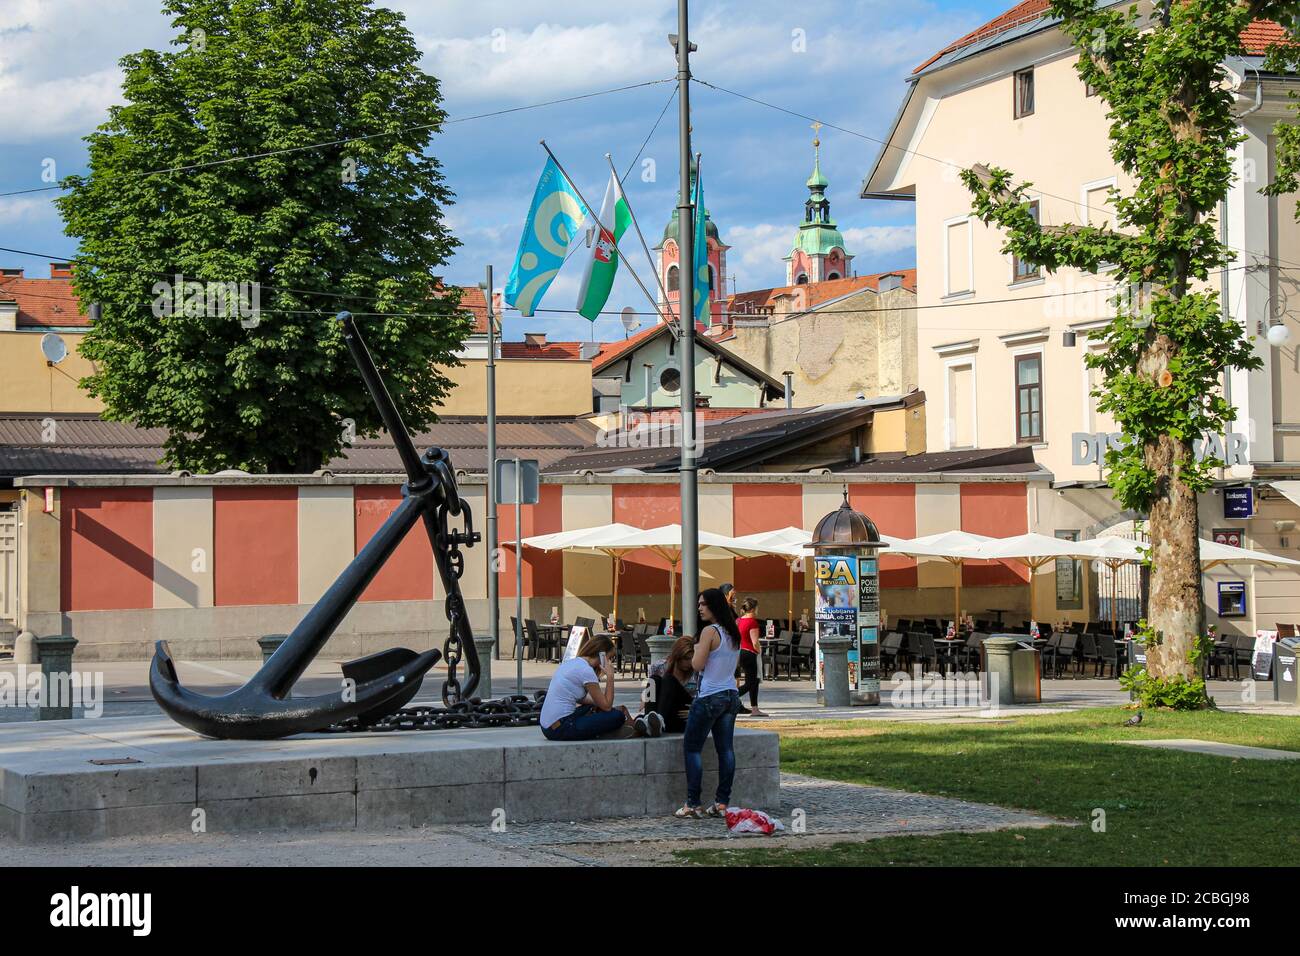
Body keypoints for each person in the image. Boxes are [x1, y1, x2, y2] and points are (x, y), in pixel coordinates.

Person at [675, 587, 742, 819]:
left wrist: (695, 649)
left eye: (703, 604)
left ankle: (693, 803)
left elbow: (696, 664)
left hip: (709, 696)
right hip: (730, 695)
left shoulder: (709, 632)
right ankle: (722, 802)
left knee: (692, 748)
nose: (699, 608)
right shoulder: (733, 632)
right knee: (726, 749)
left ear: (714, 605)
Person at [540, 634, 663, 740]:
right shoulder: (585, 671)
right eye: (610, 658)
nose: (610, 662)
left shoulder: (573, 663)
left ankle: (635, 725)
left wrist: (614, 708)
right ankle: (631, 728)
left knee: (607, 710)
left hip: (549, 726)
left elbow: (589, 701)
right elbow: (607, 706)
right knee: (617, 716)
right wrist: (610, 676)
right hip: (561, 728)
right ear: (602, 655)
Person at [646, 635, 697, 733]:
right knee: (654, 680)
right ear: (677, 656)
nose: (690, 663)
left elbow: (705, 697)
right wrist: (645, 698)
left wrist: (697, 710)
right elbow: (649, 692)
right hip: (666, 711)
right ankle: (649, 722)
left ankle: (659, 722)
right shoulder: (659, 666)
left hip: (684, 714)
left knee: (669, 678)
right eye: (686, 658)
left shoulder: (697, 670)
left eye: (692, 658)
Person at [734, 597, 768, 717]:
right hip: (750, 653)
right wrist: (759, 651)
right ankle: (730, 697)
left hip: (740, 652)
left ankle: (755, 708)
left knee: (753, 682)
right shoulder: (752, 622)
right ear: (753, 609)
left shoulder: (738, 621)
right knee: (751, 682)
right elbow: (755, 642)